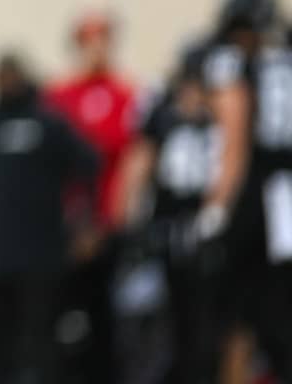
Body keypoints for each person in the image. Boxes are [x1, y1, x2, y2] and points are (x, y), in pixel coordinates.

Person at [0, 52, 99, 384]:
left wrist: (86, 224)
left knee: (41, 342)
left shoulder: (47, 124)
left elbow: (88, 166)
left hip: (41, 258)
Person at [199, 0, 292, 382]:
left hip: (258, 199)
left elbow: (235, 142)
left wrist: (215, 210)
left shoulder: (237, 64)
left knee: (237, 317)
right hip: (284, 199)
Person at [117, 44, 220, 384]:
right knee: (163, 320)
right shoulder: (161, 114)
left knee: (207, 318)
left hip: (208, 227)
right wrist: (130, 221)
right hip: (167, 227)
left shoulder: (223, 112)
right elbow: (139, 164)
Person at [45, 12, 137, 383]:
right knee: (61, 314)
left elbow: (131, 159)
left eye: (103, 41)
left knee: (104, 315)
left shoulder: (125, 94)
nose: (97, 50)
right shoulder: (58, 97)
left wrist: (112, 218)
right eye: (89, 41)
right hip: (65, 224)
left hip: (106, 222)